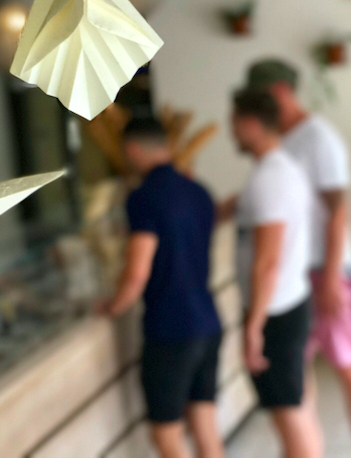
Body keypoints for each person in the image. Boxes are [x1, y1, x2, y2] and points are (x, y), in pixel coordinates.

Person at [100, 117, 223, 458]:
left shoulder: (143, 198)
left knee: (167, 434)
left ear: (132, 149)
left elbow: (137, 272)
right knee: (205, 427)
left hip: (170, 330)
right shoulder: (199, 191)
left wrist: (113, 306)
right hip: (208, 321)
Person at [248, 59, 351, 419]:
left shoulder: (317, 138)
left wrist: (332, 277)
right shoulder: (284, 140)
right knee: (298, 368)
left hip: (326, 269)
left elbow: (338, 211)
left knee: (345, 364)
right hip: (301, 272)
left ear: (280, 91)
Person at [226, 89, 320, 458]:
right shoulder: (281, 170)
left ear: (251, 124)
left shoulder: (270, 179)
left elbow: (267, 263)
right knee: (299, 408)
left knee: (290, 415)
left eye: (235, 124)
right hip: (289, 303)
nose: (232, 132)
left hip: (275, 313)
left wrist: (254, 327)